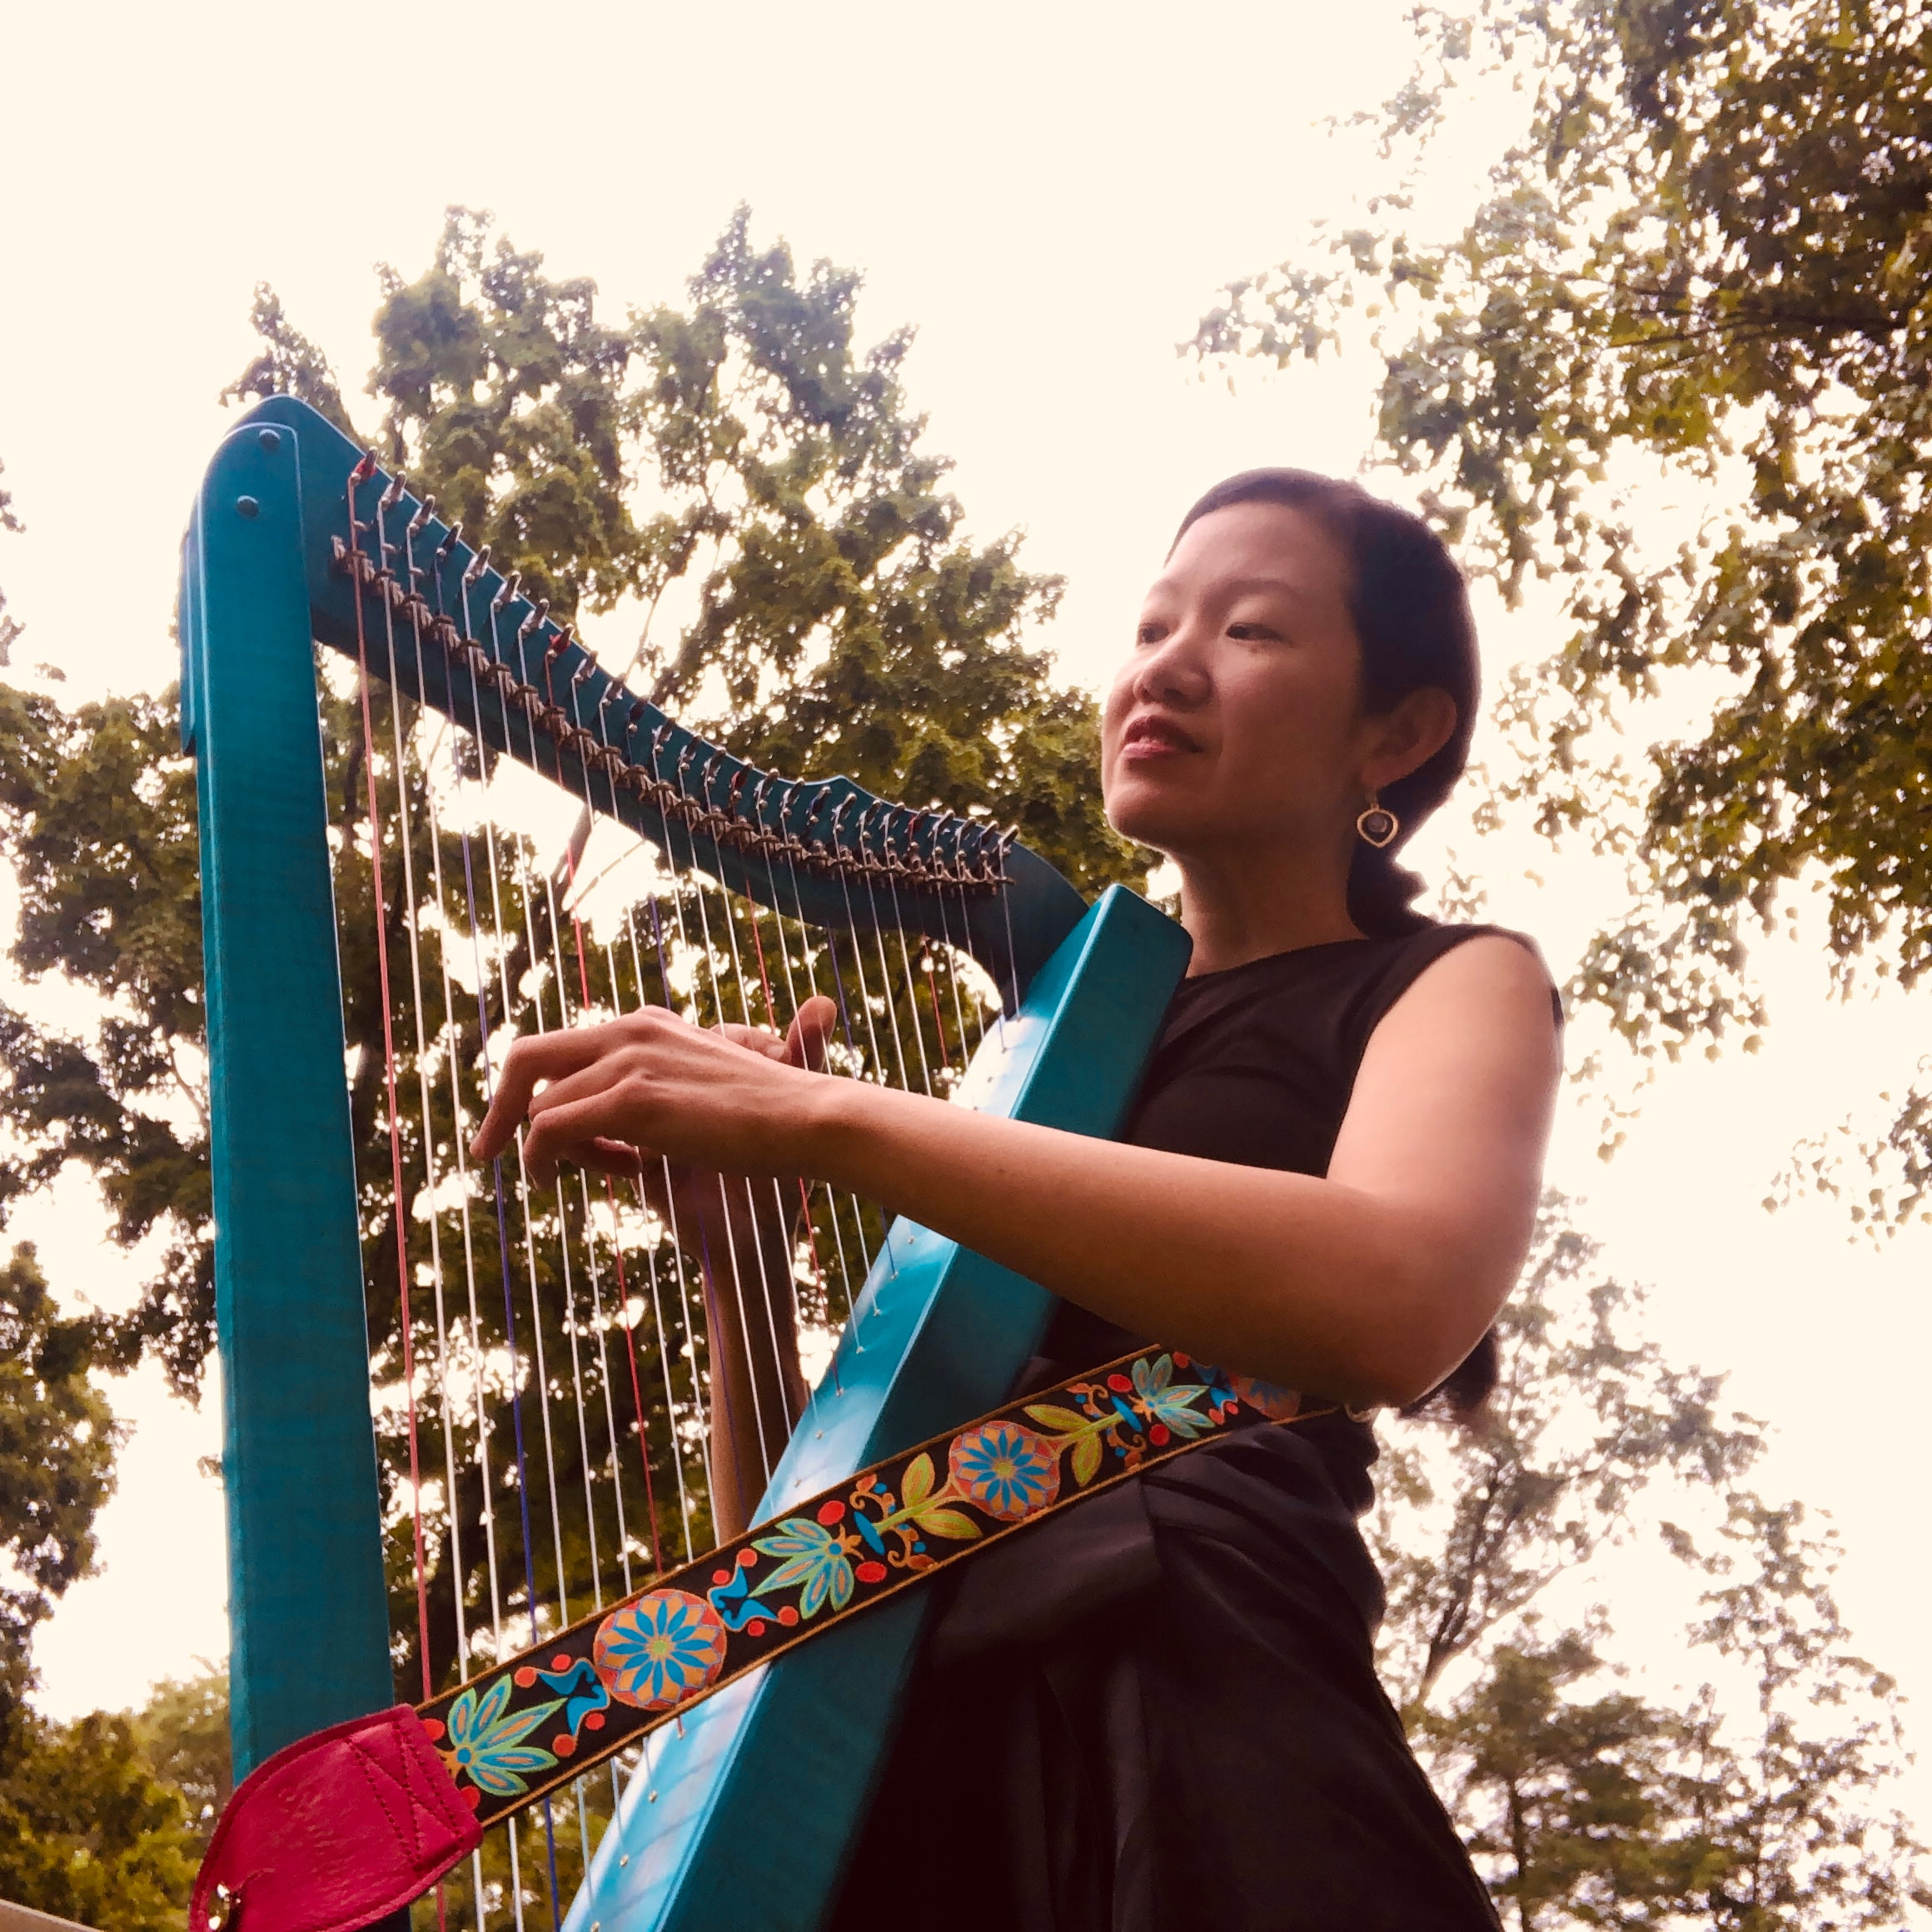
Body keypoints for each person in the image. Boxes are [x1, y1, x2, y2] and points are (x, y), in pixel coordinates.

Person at [472, 468, 1562, 1930]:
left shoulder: (1449, 982)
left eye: (1250, 633)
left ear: (1398, 734)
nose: (1166, 664)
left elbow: (1394, 1298)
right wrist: (742, 1279)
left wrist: (829, 1116)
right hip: (900, 1782)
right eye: (1155, 621)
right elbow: (803, 1566)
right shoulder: (1044, 1058)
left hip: (1183, 1711)